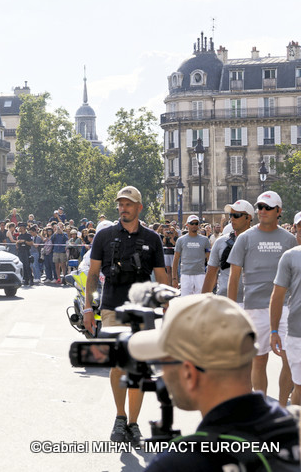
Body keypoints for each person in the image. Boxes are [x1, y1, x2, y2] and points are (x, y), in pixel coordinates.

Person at [129, 294, 300, 471]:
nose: (162, 373)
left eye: (162, 363)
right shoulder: (295, 427)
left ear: (189, 374)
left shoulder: (179, 464)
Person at [84, 185, 168, 443]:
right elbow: (92, 275)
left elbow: (162, 276)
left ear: (139, 207)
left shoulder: (152, 238)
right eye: (120, 204)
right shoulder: (104, 236)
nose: (123, 208)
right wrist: (88, 308)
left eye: (128, 204)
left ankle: (133, 422)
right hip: (112, 307)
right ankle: (120, 417)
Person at [227, 191, 297, 405]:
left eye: (267, 207)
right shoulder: (245, 238)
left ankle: (283, 407)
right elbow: (233, 277)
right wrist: (231, 311)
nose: (262, 211)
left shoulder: (289, 239)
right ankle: (261, 409)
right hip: (254, 308)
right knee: (258, 360)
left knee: (289, 359)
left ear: (279, 211)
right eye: (259, 207)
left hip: (285, 307)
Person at [269, 211, 301, 406]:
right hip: (297, 333)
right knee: (299, 386)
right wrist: (274, 331)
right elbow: (277, 296)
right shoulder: (289, 257)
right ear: (296, 229)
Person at [202, 200, 253, 304]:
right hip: (224, 302)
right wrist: (202, 303)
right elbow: (210, 274)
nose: (232, 219)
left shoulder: (259, 241)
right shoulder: (220, 242)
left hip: (253, 304)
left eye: (236, 215)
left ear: (248, 218)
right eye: (231, 215)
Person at [172, 215, 210, 295]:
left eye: (196, 223)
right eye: (192, 223)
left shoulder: (205, 240)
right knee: (186, 300)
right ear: (187, 225)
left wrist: (210, 277)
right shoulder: (180, 240)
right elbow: (175, 259)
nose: (194, 225)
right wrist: (174, 278)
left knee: (200, 300)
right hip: (185, 275)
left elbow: (209, 259)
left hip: (200, 274)